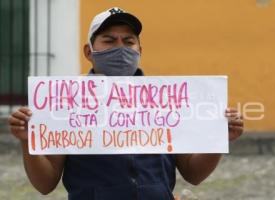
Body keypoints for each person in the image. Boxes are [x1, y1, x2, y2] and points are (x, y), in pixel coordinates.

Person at [8, 7, 244, 200]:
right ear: (89, 52)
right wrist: (28, 143)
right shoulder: (66, 103)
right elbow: (45, 184)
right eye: (109, 41)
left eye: (128, 41)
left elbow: (193, 174)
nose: (120, 48)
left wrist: (217, 140)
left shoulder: (165, 101)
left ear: (139, 50)